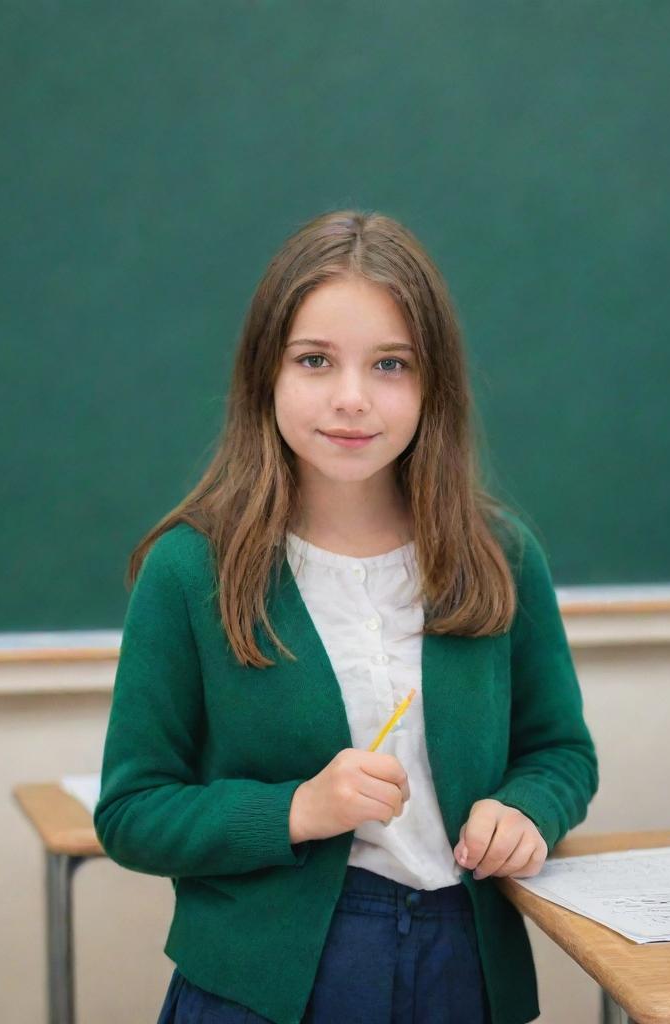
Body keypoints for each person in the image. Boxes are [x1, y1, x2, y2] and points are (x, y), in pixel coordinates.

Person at [93, 209, 599, 1024]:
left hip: (462, 968)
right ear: (268, 374)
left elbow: (560, 753)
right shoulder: (190, 568)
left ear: (435, 384)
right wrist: (298, 810)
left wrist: (528, 812)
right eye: (316, 361)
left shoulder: (499, 553)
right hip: (263, 987)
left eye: (391, 364)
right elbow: (132, 811)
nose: (353, 399)